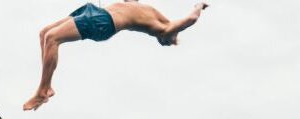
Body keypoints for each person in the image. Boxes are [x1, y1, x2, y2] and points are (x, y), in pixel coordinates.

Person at [24, 0, 209, 111]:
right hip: (96, 11)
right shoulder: (153, 12)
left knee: (52, 37)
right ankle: (45, 87)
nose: (165, 40)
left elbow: (192, 18)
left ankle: (43, 90)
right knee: (44, 33)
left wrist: (199, 4)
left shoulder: (165, 29)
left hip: (103, 22)